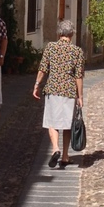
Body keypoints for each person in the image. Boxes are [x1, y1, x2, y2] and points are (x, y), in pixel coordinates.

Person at [33, 18, 85, 168]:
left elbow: (43, 68)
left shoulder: (51, 47)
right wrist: (80, 96)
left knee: (52, 121)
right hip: (69, 91)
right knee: (68, 124)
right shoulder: (77, 51)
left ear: (59, 33)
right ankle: (65, 156)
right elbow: (78, 76)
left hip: (53, 89)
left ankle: (55, 148)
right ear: (72, 34)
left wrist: (37, 85)